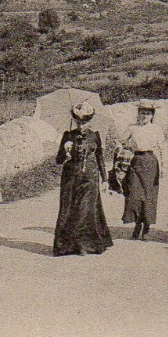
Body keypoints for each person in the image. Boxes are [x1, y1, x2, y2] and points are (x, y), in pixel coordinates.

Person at [53, 101, 113, 256]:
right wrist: (65, 153)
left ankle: (84, 245)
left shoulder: (95, 136)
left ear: (90, 121)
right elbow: (58, 160)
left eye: (84, 122)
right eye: (78, 122)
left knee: (85, 210)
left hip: (90, 178)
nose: (81, 126)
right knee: (69, 211)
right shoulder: (68, 136)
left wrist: (105, 179)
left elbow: (100, 157)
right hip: (71, 178)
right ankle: (68, 245)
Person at [119, 100, 162, 240]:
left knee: (149, 196)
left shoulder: (156, 129)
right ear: (138, 113)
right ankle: (137, 223)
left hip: (150, 162)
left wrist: (164, 166)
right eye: (142, 112)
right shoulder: (132, 128)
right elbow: (121, 142)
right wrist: (123, 147)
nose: (144, 115)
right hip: (135, 162)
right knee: (134, 195)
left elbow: (162, 149)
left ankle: (147, 228)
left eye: (147, 113)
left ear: (152, 115)